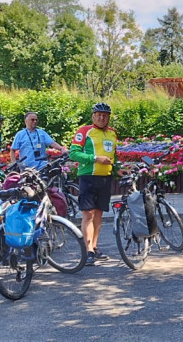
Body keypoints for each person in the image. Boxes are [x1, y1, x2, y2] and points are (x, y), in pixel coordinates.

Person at [69, 103, 119, 266]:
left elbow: (113, 156)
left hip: (105, 179)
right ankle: (88, 250)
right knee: (88, 214)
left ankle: (95, 247)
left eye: (105, 115)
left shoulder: (112, 133)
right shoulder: (84, 131)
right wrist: (94, 159)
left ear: (109, 118)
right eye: (98, 114)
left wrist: (118, 169)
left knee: (99, 214)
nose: (102, 118)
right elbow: (73, 153)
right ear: (93, 116)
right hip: (88, 177)